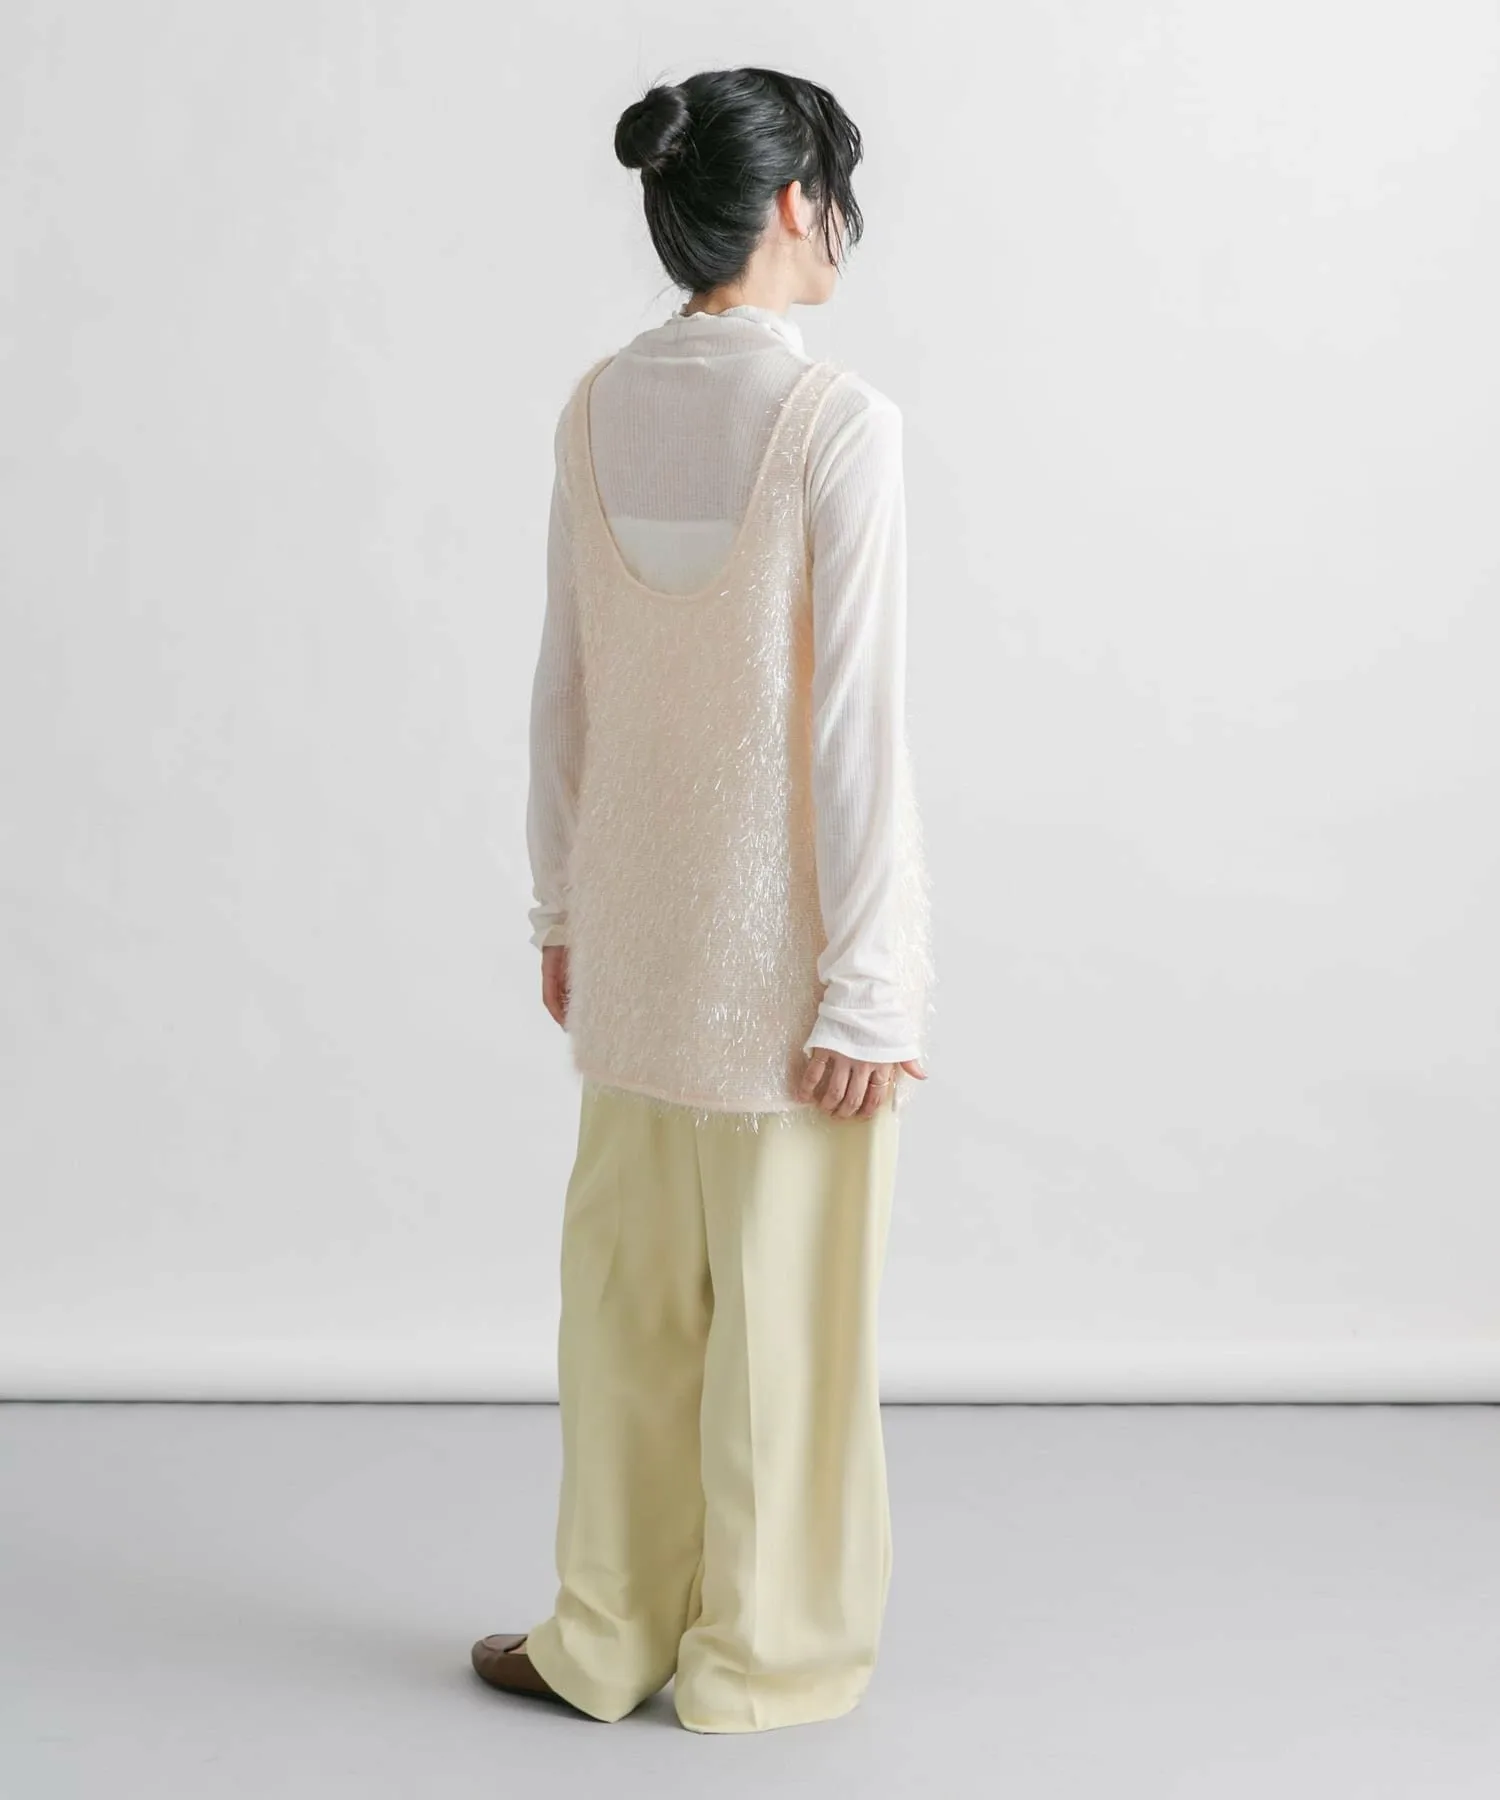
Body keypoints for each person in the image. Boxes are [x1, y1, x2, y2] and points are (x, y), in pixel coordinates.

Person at [471, 64, 935, 1734]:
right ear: (797, 198)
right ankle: (762, 1661)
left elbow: (564, 691)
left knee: (625, 1316)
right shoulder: (837, 425)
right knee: (785, 1337)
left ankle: (601, 1635)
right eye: (837, 188)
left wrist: (560, 916)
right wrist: (869, 986)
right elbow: (854, 731)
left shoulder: (597, 404)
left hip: (636, 947)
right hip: (789, 974)